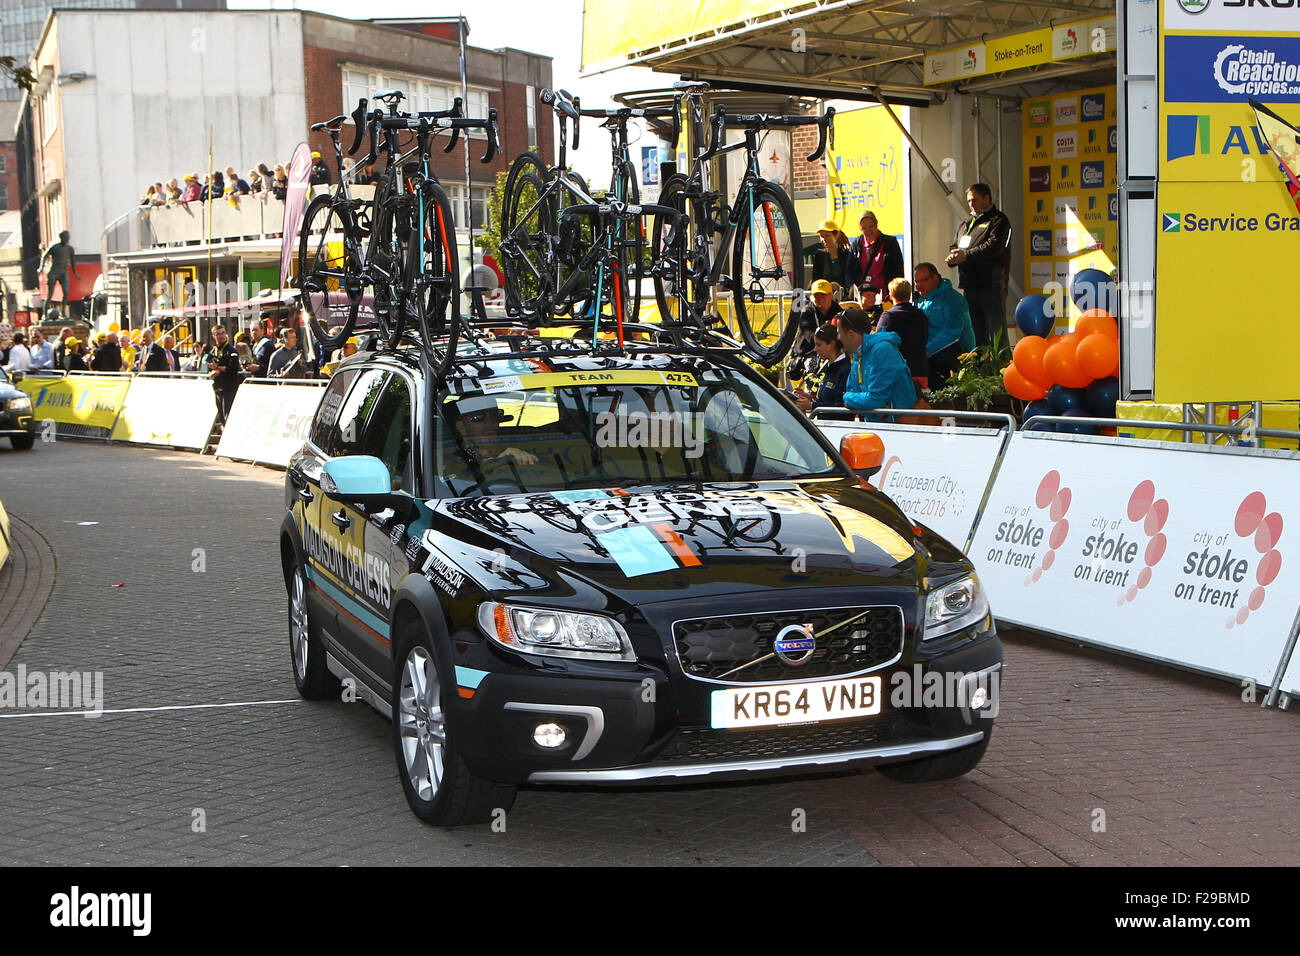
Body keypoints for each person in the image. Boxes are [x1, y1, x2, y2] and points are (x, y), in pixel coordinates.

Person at [945, 182, 1012, 349]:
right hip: (970, 286)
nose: (971, 204)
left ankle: (1001, 371)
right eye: (968, 201)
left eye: (974, 200)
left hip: (992, 285)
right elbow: (955, 245)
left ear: (987, 198)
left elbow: (994, 247)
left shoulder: (999, 221)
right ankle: (981, 371)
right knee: (976, 334)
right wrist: (953, 255)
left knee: (997, 334)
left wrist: (965, 255)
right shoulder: (966, 224)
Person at [838, 308, 917, 423]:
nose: (838, 337)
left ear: (851, 334)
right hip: (879, 428)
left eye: (839, 332)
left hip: (900, 428)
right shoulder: (858, 355)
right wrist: (853, 400)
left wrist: (849, 399)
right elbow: (852, 394)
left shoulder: (882, 350)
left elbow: (874, 399)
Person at [444, 395, 538, 481]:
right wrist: (495, 463)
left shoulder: (520, 447)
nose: (489, 423)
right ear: (462, 427)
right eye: (478, 417)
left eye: (494, 415)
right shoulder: (453, 460)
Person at [913, 261, 975, 389]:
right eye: (916, 282)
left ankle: (944, 399)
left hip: (956, 350)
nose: (919, 286)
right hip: (931, 351)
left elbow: (953, 332)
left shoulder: (953, 298)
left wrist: (927, 350)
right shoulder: (920, 300)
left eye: (923, 280)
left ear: (936, 277)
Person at [875, 278, 929, 389]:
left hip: (897, 371)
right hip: (920, 369)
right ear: (909, 295)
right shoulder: (920, 314)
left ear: (891, 295)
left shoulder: (888, 316)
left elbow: (880, 344)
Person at [792, 325, 850, 417]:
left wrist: (812, 406)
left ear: (831, 344)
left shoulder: (845, 369)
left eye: (819, 345)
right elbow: (826, 399)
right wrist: (809, 397)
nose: (815, 349)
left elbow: (843, 407)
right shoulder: (828, 366)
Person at [846, 210, 904, 298]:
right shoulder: (856, 244)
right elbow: (849, 270)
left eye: (871, 226)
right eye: (864, 228)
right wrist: (851, 286)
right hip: (863, 297)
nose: (868, 230)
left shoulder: (890, 243)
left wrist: (895, 292)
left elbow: (898, 270)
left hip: (884, 295)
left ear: (876, 224)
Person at [789, 278, 843, 374]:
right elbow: (810, 336)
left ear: (831, 295)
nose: (820, 298)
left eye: (823, 294)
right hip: (809, 352)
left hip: (832, 351)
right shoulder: (807, 311)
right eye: (816, 295)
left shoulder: (838, 311)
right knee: (813, 370)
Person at [808, 219, 852, 298]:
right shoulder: (819, 255)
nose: (824, 239)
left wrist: (839, 286)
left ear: (836, 235)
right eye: (821, 236)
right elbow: (815, 280)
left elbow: (849, 279)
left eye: (827, 235)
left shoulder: (846, 255)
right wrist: (827, 286)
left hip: (843, 297)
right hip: (822, 296)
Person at [41, 231, 80, 319]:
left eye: (68, 238)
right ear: (61, 238)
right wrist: (41, 268)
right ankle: (44, 314)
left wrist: (75, 273)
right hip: (54, 272)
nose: (67, 239)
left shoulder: (70, 249)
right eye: (65, 237)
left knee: (66, 292)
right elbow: (44, 256)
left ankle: (63, 313)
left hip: (63, 272)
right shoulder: (55, 247)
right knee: (50, 294)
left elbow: (73, 261)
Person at [209, 325, 242, 423]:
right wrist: (213, 372)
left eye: (223, 333)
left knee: (228, 415)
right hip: (217, 387)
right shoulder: (212, 351)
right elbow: (208, 367)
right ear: (213, 336)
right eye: (218, 334)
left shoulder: (231, 350)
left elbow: (233, 368)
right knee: (221, 416)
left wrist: (218, 368)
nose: (221, 336)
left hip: (229, 388)